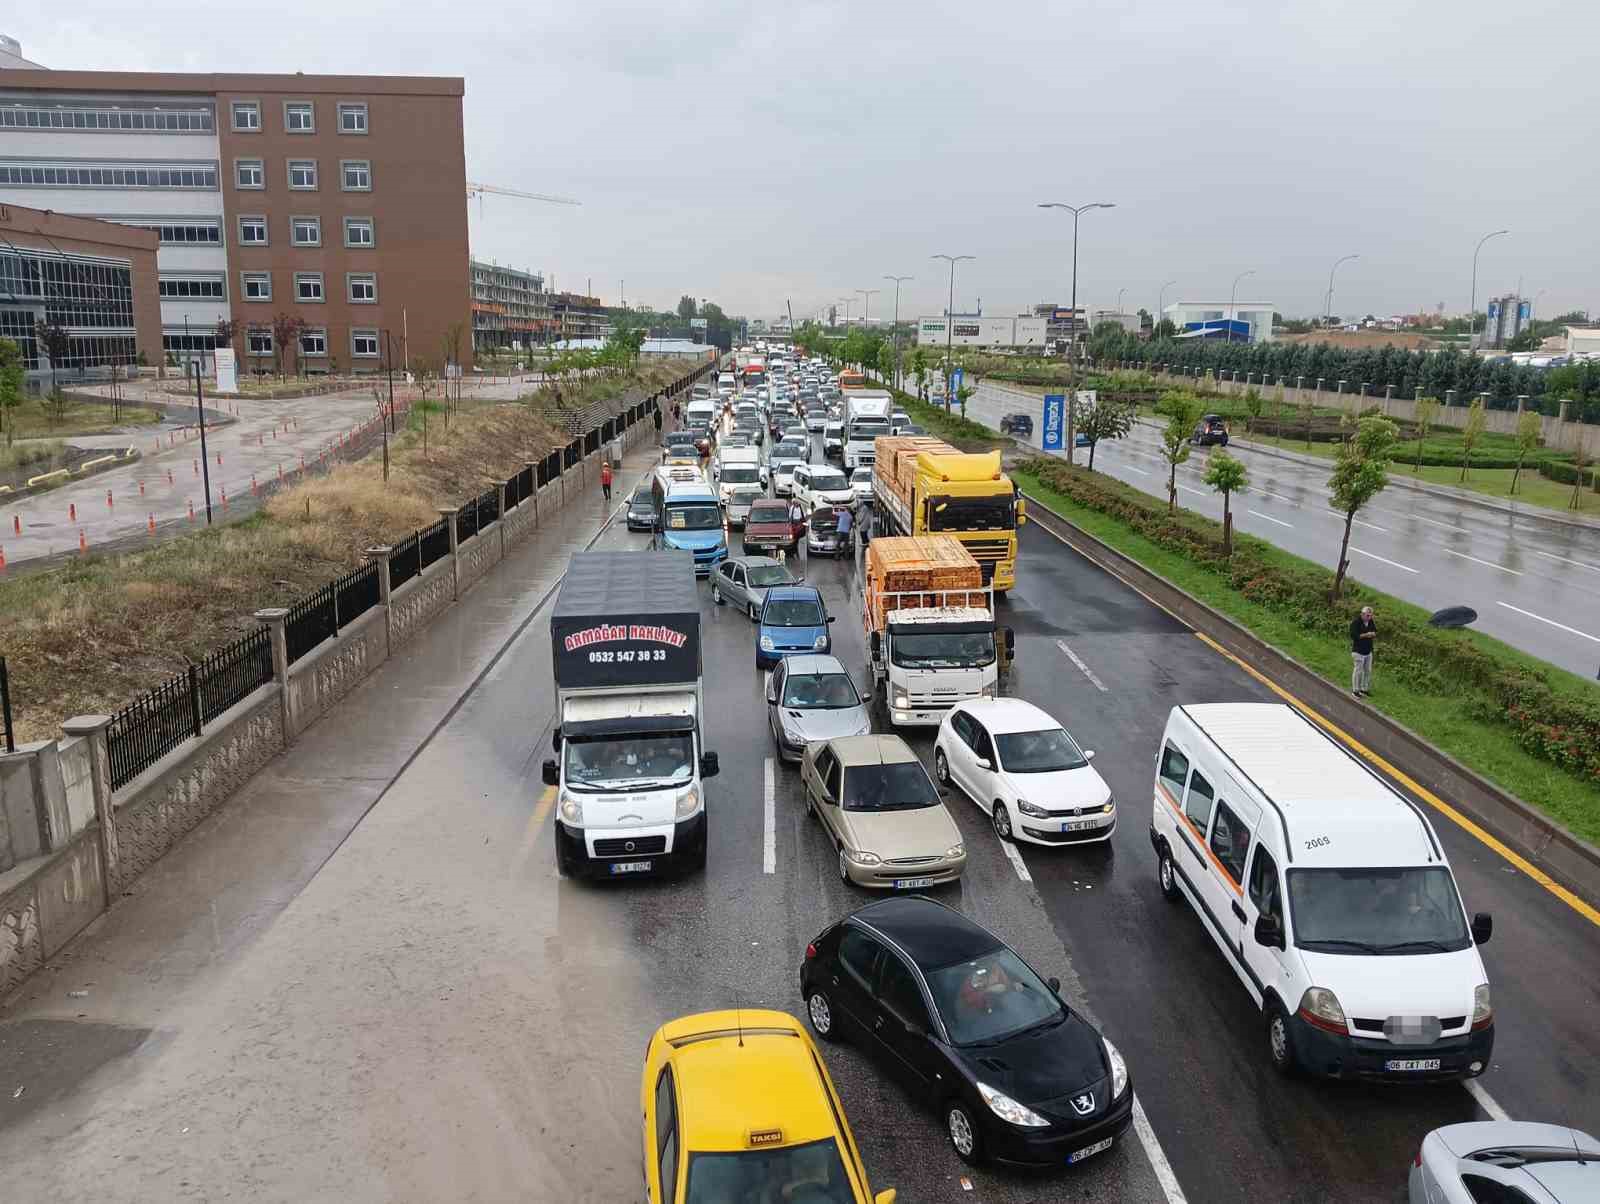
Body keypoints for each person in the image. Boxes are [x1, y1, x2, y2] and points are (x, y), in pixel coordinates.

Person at [1349, 605, 1376, 697]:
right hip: (1358, 651)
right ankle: (1355, 690)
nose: (1369, 617)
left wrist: (1372, 634)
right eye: (1368, 616)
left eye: (1371, 615)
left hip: (1368, 651)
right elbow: (1354, 636)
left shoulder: (1371, 622)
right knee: (1358, 671)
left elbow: (1374, 631)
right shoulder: (1356, 623)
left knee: (1368, 671)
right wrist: (1366, 635)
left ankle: (1364, 689)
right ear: (1362, 614)